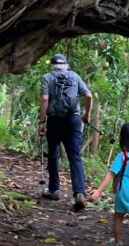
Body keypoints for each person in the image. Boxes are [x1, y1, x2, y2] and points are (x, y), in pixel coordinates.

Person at [38, 52, 93, 212]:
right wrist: (86, 115)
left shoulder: (47, 77)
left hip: (55, 120)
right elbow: (88, 96)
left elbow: (45, 99)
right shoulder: (74, 76)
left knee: (53, 153)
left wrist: (42, 122)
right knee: (74, 156)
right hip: (73, 119)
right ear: (66, 65)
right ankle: (79, 193)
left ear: (52, 66)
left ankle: (54, 190)